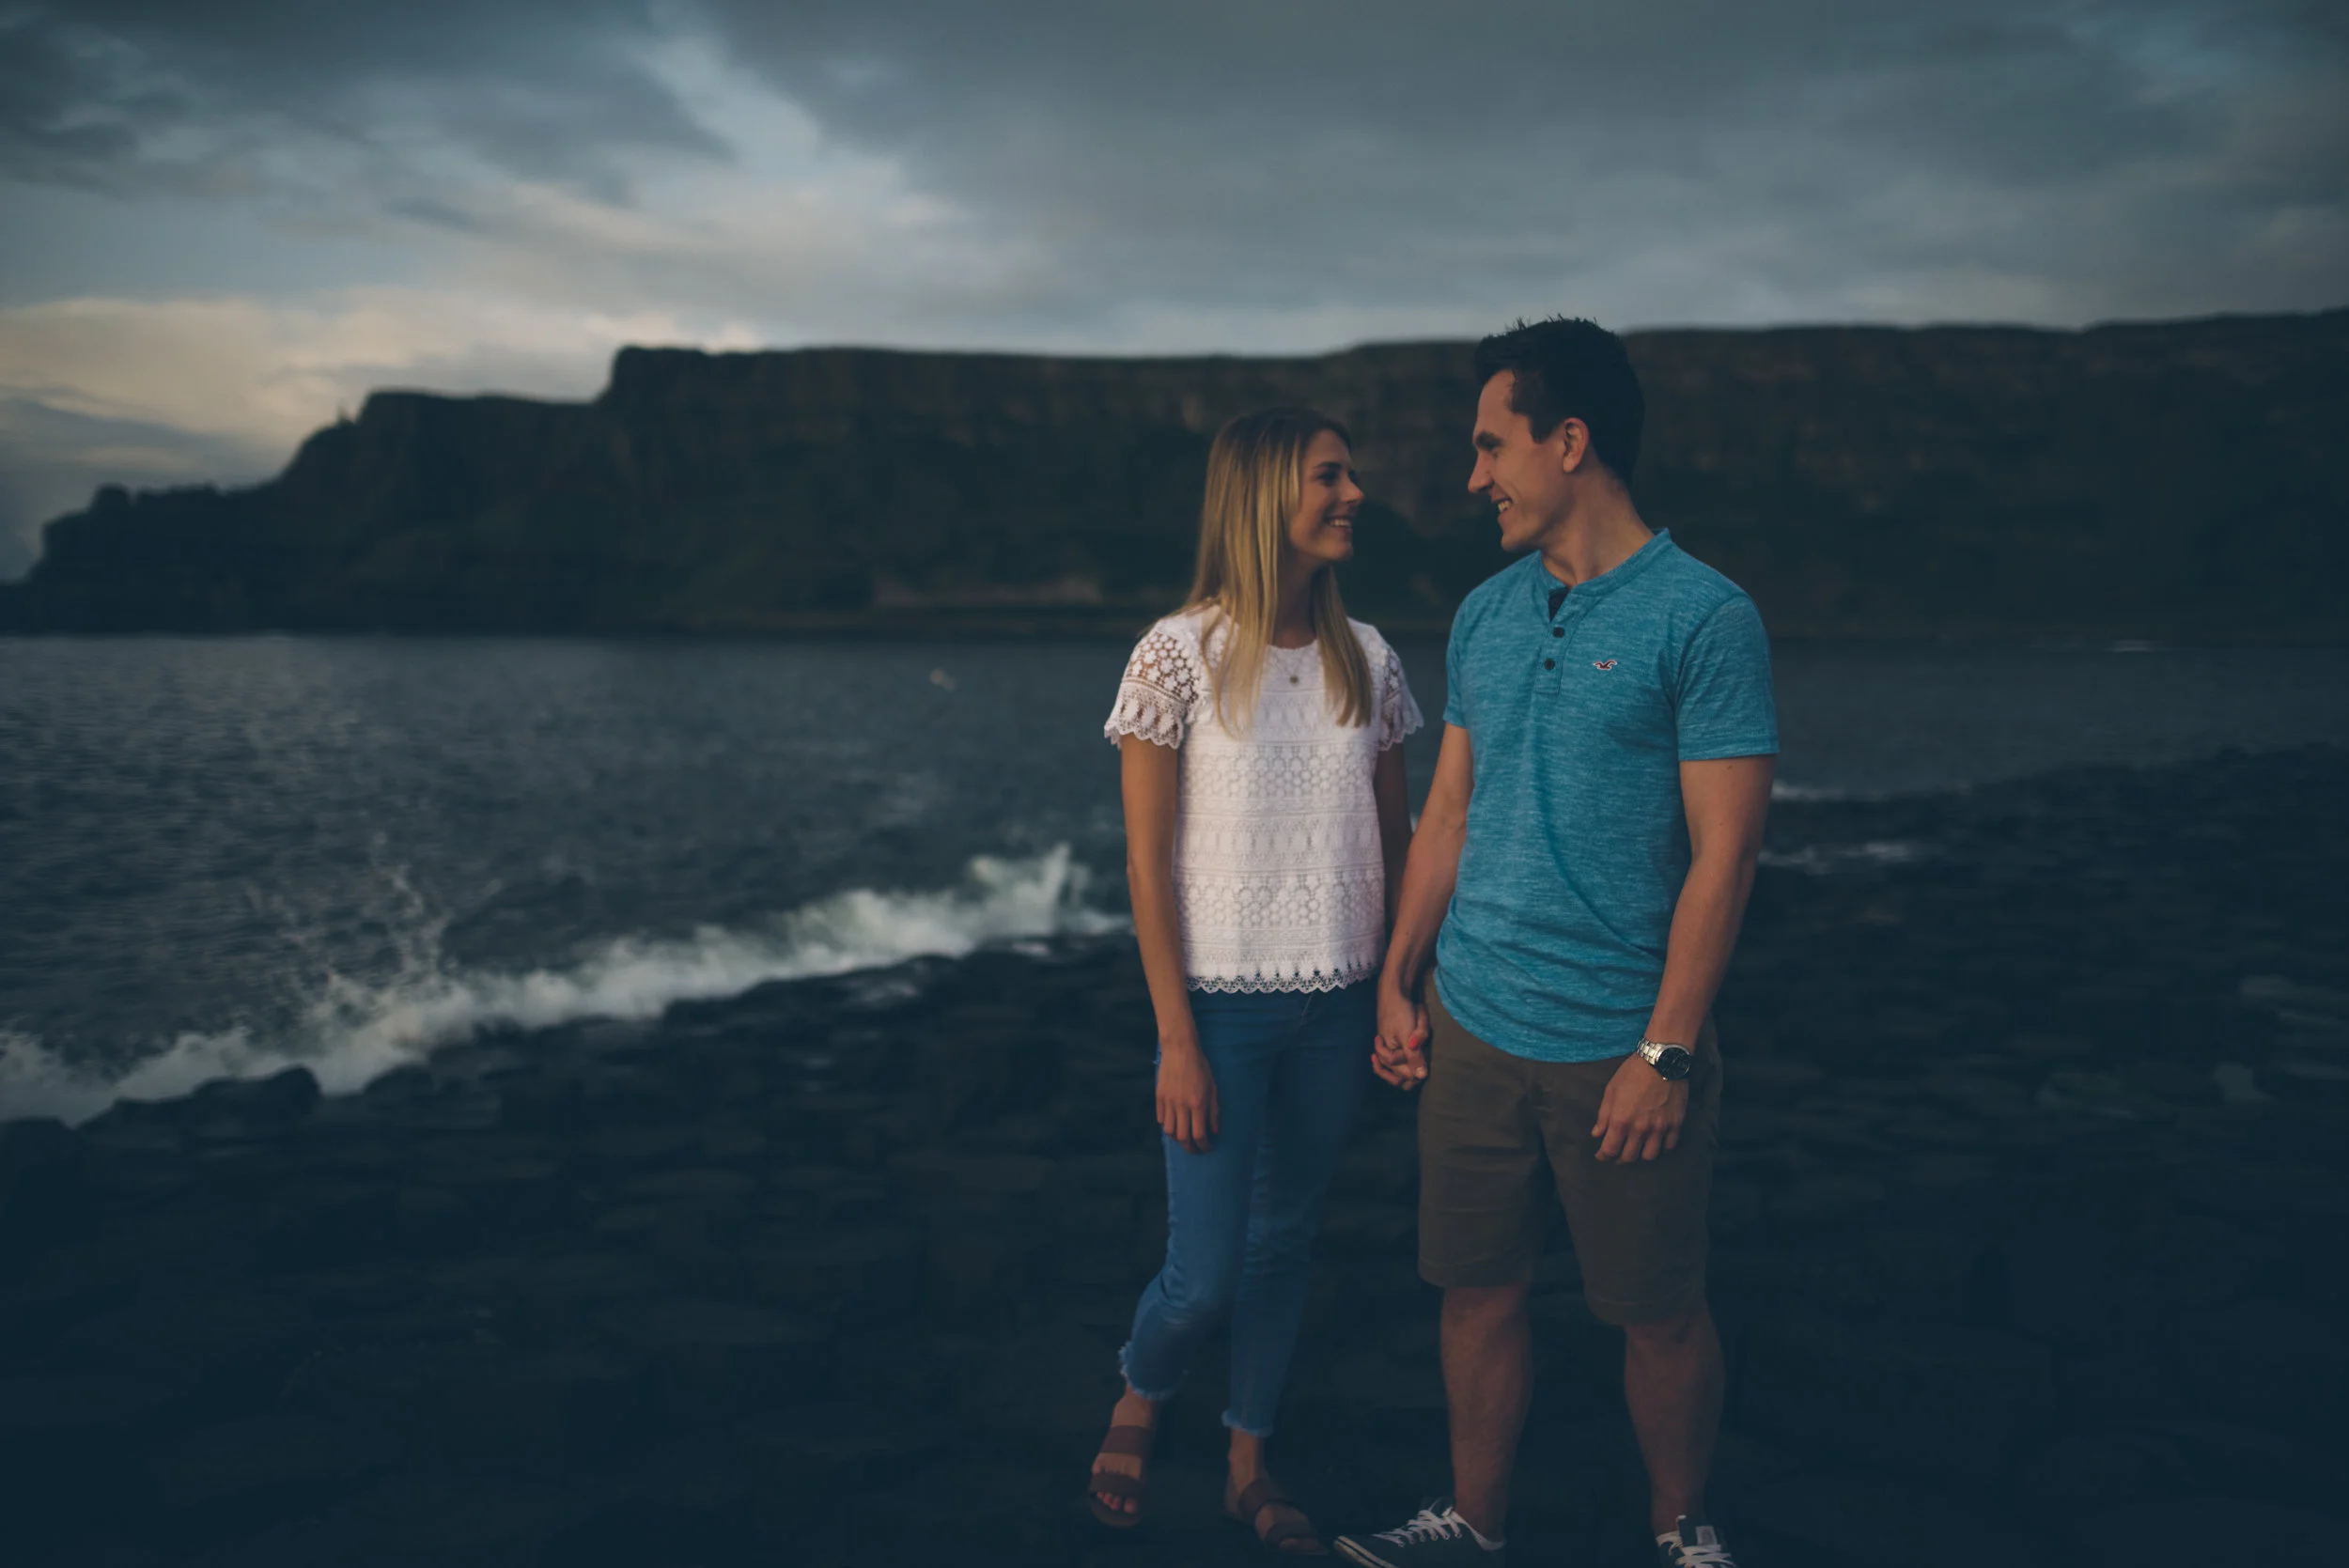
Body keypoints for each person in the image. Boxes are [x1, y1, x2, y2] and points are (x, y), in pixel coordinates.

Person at [1331, 319, 1777, 1568]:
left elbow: (1726, 858)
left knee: (1658, 1311)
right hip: (1474, 1023)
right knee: (1475, 1289)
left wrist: (1667, 1052)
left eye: (1492, 446)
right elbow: (1448, 815)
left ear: (1568, 442)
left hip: (1618, 1042)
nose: (1475, 478)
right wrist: (1401, 978)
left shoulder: (1707, 617)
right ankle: (1473, 1525)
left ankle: (1682, 1529)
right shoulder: (1484, 614)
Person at [1090, 406, 1424, 1556]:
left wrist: (1397, 990)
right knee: (1202, 1278)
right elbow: (1144, 861)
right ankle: (1143, 1381)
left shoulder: (1369, 659)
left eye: (1351, 474)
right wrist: (1174, 1037)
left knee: (1286, 1241)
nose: (1353, 495)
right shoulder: (1174, 653)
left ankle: (1247, 1460)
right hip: (1219, 1015)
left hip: (1336, 1006)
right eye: (1330, 476)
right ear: (1264, 494)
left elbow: (1397, 843)